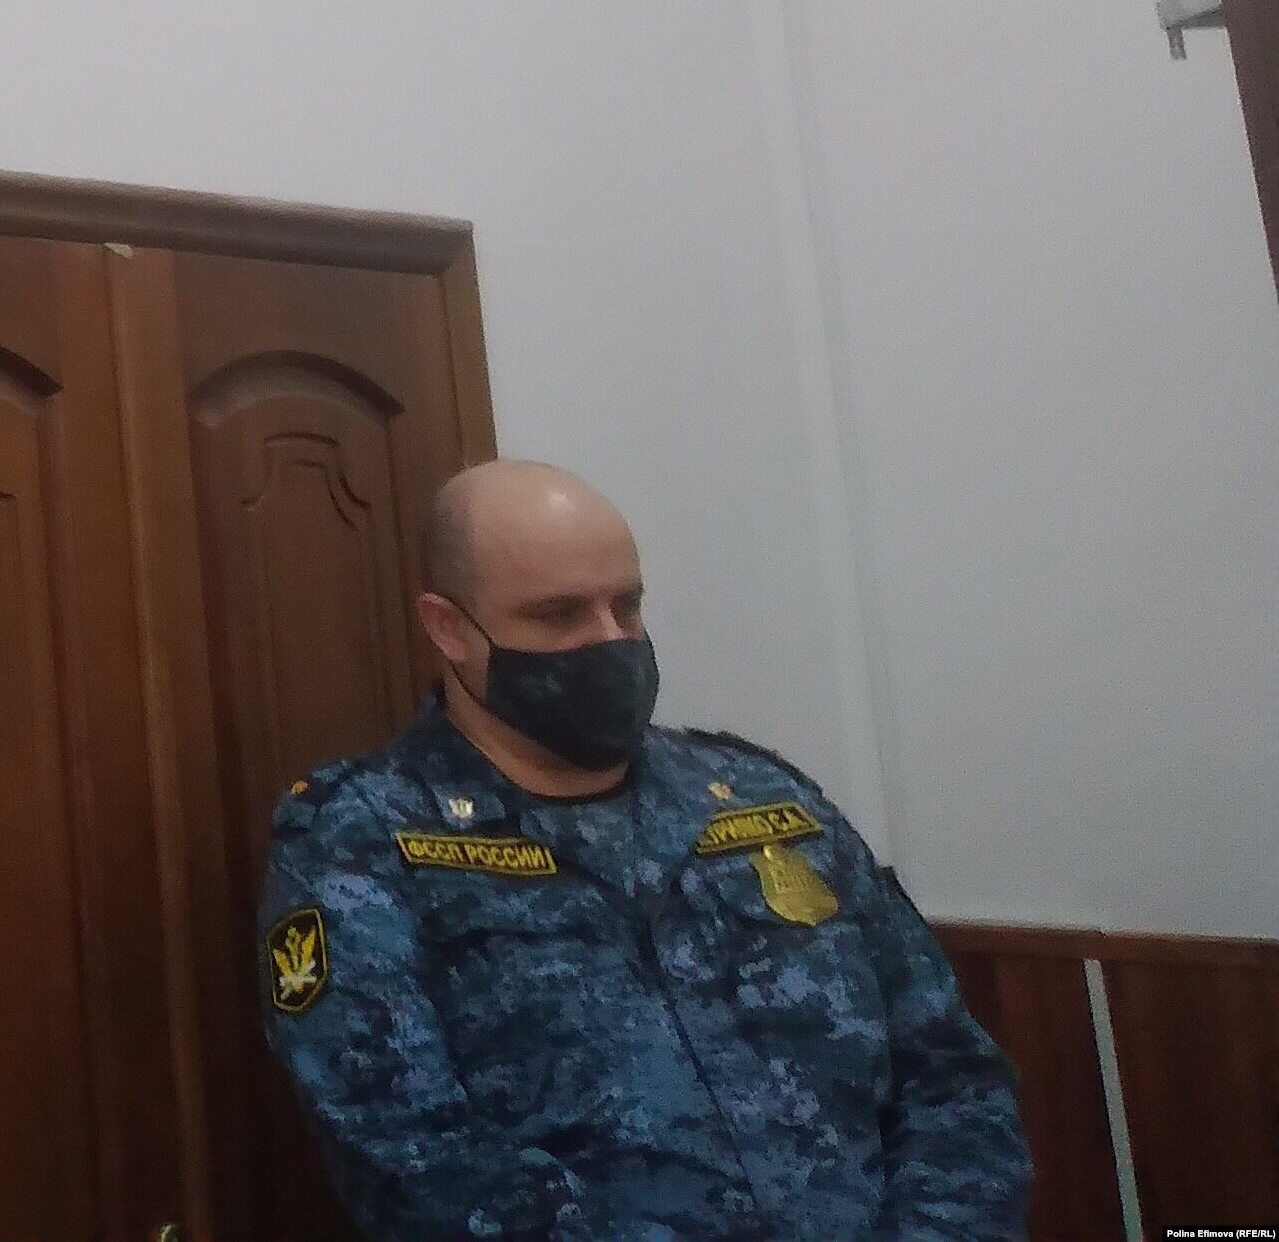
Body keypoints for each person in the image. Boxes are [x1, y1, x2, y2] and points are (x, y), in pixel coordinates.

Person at [261, 459, 1029, 1242]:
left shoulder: (765, 800)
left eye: (626, 605)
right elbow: (412, 1160)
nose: (611, 640)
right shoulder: (363, 840)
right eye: (560, 615)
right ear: (449, 629)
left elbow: (950, 1075)